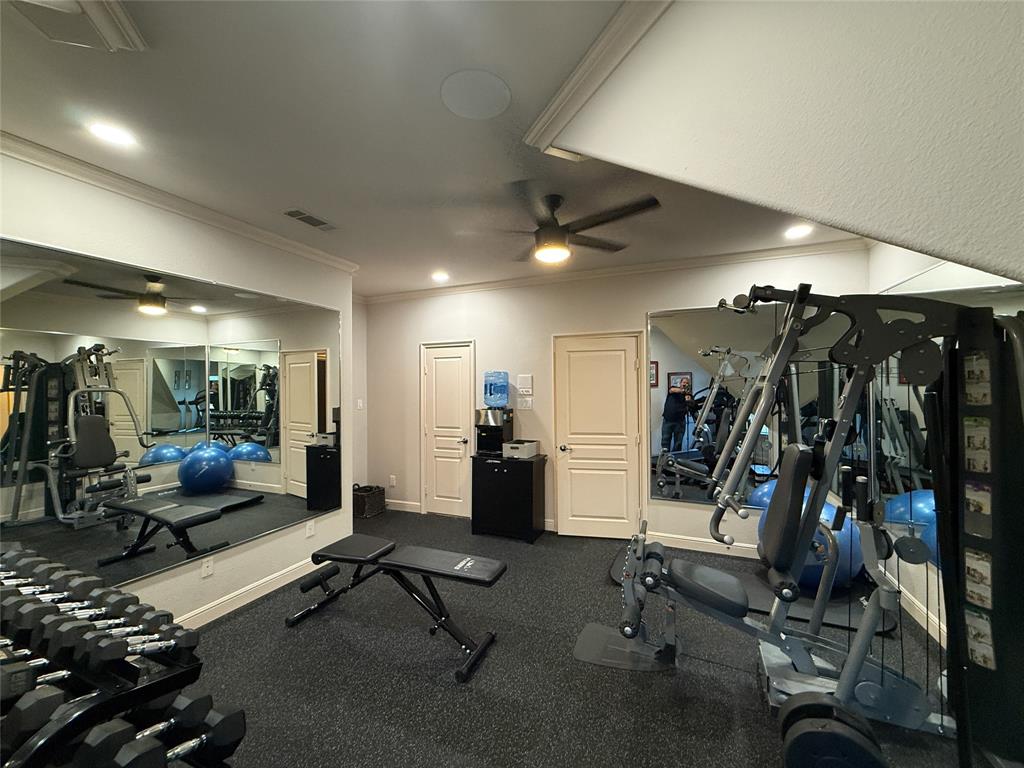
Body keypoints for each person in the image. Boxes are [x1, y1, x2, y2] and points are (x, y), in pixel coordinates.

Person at [661, 385, 694, 452]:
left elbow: (692, 405)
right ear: (680, 384)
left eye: (687, 383)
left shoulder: (689, 395)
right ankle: (664, 459)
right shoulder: (673, 390)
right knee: (665, 441)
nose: (685, 384)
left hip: (680, 421)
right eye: (684, 382)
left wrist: (688, 399)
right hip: (668, 420)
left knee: (678, 443)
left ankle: (676, 459)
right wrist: (682, 391)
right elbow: (672, 390)